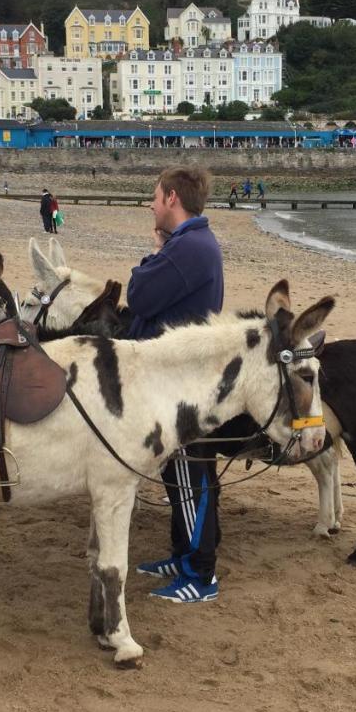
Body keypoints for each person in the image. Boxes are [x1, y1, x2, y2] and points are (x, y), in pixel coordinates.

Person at [128, 166, 225, 604]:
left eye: (154, 196)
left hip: (183, 386)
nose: (150, 204)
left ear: (171, 198)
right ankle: (182, 555)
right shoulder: (189, 245)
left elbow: (140, 296)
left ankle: (201, 577)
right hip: (174, 377)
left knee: (191, 479)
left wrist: (152, 258)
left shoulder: (192, 248)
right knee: (177, 476)